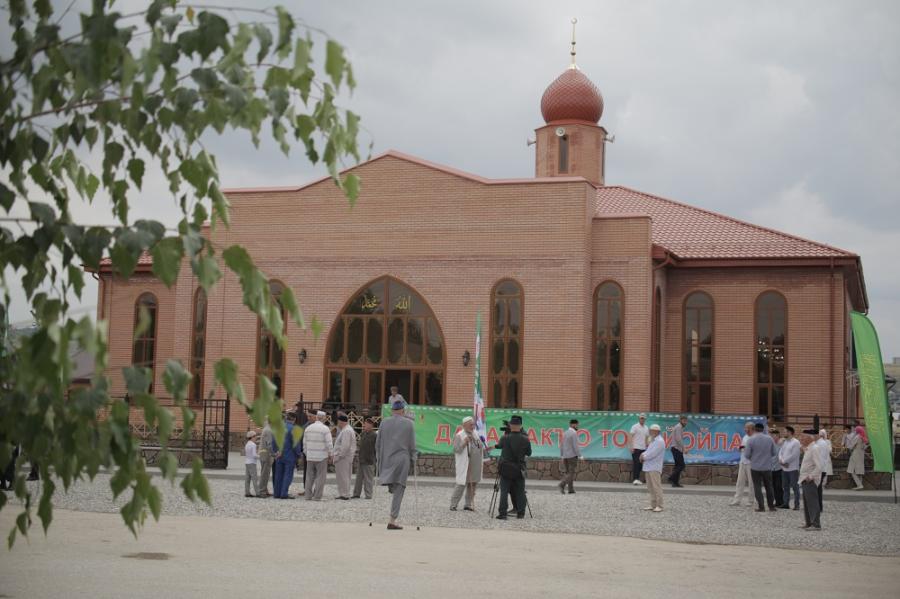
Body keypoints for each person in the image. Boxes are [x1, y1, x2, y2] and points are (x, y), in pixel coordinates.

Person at [377, 399, 417, 530]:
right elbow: (412, 445)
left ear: (392, 410)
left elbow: (378, 443)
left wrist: (378, 457)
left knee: (392, 482)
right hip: (402, 459)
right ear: (403, 411)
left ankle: (390, 484)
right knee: (400, 488)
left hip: (387, 458)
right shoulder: (409, 423)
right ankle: (392, 520)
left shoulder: (384, 422)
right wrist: (414, 457)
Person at [493, 415, 532, 520]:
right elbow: (529, 453)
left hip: (506, 468)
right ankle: (521, 513)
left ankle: (503, 513)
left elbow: (499, 446)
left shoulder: (505, 438)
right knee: (520, 491)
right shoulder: (526, 439)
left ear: (510, 425)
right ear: (520, 426)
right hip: (519, 468)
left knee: (504, 491)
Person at [450, 416, 485, 511]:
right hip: (465, 464)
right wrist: (464, 442)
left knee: (473, 484)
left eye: (473, 425)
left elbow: (479, 446)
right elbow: (456, 449)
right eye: (471, 425)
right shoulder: (459, 435)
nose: (473, 427)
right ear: (464, 425)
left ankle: (468, 504)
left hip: (475, 464)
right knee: (461, 484)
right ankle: (453, 504)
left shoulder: (475, 433)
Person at [745, 422, 777, 512]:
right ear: (763, 429)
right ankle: (771, 506)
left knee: (757, 487)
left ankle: (761, 506)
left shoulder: (751, 440)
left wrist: (753, 458)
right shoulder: (769, 439)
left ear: (755, 429)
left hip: (755, 467)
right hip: (767, 467)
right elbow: (774, 452)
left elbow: (747, 455)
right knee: (769, 486)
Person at [303, 411, 333, 501]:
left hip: (310, 456)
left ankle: (308, 495)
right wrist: (331, 454)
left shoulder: (308, 428)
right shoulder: (325, 429)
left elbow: (304, 444)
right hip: (321, 456)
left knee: (309, 477)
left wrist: (307, 453)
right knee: (320, 477)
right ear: (324, 418)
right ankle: (317, 496)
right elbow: (329, 444)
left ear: (316, 417)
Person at [798, 429, 824, 530]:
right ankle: (809, 522)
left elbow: (819, 466)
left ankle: (816, 524)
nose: (801, 439)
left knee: (812, 502)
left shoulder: (815, 448)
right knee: (807, 502)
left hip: (810, 479)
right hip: (804, 479)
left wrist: (811, 476)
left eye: (803, 437)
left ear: (809, 438)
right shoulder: (809, 448)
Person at [272, 413, 302, 499]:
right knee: (287, 475)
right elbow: (295, 444)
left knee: (278, 474)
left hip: (279, 454)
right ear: (294, 420)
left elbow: (273, 440)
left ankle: (276, 493)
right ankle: (283, 493)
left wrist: (276, 451)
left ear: (286, 418)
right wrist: (299, 454)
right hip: (290, 455)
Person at [640, 424, 666, 512]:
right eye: (651, 430)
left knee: (656, 487)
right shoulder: (653, 440)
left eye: (653, 430)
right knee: (650, 487)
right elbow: (648, 451)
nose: (651, 432)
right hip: (648, 466)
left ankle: (660, 505)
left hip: (654, 467)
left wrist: (643, 457)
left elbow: (653, 454)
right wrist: (642, 454)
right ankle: (653, 504)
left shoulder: (660, 441)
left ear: (657, 432)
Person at [729, 422, 756, 507]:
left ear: (752, 428)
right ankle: (737, 500)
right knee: (740, 482)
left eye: (747, 428)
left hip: (751, 463)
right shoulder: (745, 437)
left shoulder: (755, 438)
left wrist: (746, 449)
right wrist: (740, 448)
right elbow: (742, 447)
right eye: (745, 428)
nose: (745, 429)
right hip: (743, 461)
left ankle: (751, 500)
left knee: (751, 483)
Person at [333, 413, 357, 500]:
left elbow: (345, 446)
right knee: (344, 476)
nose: (337, 424)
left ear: (341, 422)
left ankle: (345, 494)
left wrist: (339, 456)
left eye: (338, 422)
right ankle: (343, 493)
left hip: (343, 458)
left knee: (343, 476)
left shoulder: (346, 431)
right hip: (346, 457)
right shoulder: (347, 429)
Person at [353, 418, 377, 499]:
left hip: (369, 459)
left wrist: (375, 457)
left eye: (366, 424)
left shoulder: (374, 435)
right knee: (358, 479)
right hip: (361, 459)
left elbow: (377, 448)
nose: (364, 425)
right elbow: (360, 444)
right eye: (364, 424)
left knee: (368, 479)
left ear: (371, 425)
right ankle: (356, 494)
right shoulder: (363, 433)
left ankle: (368, 494)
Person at [558, 419, 584, 494]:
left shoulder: (565, 433)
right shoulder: (574, 433)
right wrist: (580, 456)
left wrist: (562, 455)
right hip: (572, 456)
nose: (577, 426)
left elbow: (561, 445)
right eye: (577, 425)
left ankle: (570, 489)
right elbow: (575, 446)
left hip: (565, 456)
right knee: (571, 473)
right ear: (573, 425)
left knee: (568, 473)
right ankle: (561, 485)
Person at [779, 426, 801, 510]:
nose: (783, 433)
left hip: (793, 468)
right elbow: (780, 452)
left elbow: (794, 455)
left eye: (785, 432)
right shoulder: (785, 442)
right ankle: (786, 503)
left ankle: (796, 504)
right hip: (784, 468)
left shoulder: (796, 442)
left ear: (790, 432)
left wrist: (784, 461)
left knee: (795, 487)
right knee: (785, 487)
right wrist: (781, 461)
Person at [815, 429, 833, 511]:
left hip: (823, 463)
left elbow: (829, 450)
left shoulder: (826, 442)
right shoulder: (818, 443)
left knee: (819, 485)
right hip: (821, 464)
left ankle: (818, 506)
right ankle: (818, 506)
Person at [629, 414, 649, 485]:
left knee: (640, 465)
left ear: (645, 419)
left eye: (643, 418)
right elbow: (630, 436)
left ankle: (637, 479)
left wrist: (647, 447)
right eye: (641, 418)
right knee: (636, 463)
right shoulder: (634, 426)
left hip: (643, 449)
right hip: (636, 448)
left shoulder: (646, 428)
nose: (642, 419)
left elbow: (646, 438)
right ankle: (635, 479)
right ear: (639, 418)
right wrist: (631, 447)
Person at [668, 415, 687, 488]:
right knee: (682, 465)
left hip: (676, 448)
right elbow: (678, 439)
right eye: (684, 421)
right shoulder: (679, 427)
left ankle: (675, 482)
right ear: (680, 420)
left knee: (677, 466)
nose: (685, 422)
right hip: (676, 449)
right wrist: (684, 448)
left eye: (686, 421)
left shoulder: (679, 427)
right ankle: (671, 478)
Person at [257, 421, 275, 498]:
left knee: (264, 473)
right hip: (266, 454)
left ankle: (265, 490)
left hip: (264, 453)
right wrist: (274, 454)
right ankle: (262, 491)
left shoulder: (267, 428)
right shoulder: (268, 430)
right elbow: (269, 444)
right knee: (265, 474)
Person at [846, 425, 867, 490]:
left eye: (855, 430)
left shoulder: (857, 437)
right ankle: (860, 484)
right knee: (859, 471)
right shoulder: (863, 437)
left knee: (851, 470)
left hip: (855, 454)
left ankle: (859, 485)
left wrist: (848, 445)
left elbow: (850, 446)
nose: (855, 431)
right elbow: (865, 447)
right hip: (861, 455)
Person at [769, 428, 784, 507]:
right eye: (772, 436)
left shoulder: (782, 443)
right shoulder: (770, 445)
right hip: (771, 468)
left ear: (778, 436)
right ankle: (777, 501)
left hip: (779, 468)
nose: (773, 437)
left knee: (779, 486)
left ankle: (781, 501)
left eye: (774, 436)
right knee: (773, 486)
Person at [244, 430, 260, 498]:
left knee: (247, 478)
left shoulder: (247, 444)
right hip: (252, 463)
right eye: (255, 436)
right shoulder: (253, 445)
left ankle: (247, 492)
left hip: (247, 462)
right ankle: (258, 493)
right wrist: (260, 456)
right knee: (254, 478)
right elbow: (254, 455)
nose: (256, 437)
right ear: (252, 437)